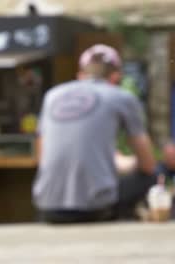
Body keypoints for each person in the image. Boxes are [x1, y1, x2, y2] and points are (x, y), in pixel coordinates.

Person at [33, 44, 157, 223]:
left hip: (47, 206)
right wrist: (125, 163)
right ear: (115, 77)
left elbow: (41, 158)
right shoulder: (121, 97)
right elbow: (148, 164)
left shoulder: (52, 96)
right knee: (149, 178)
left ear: (80, 75)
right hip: (95, 208)